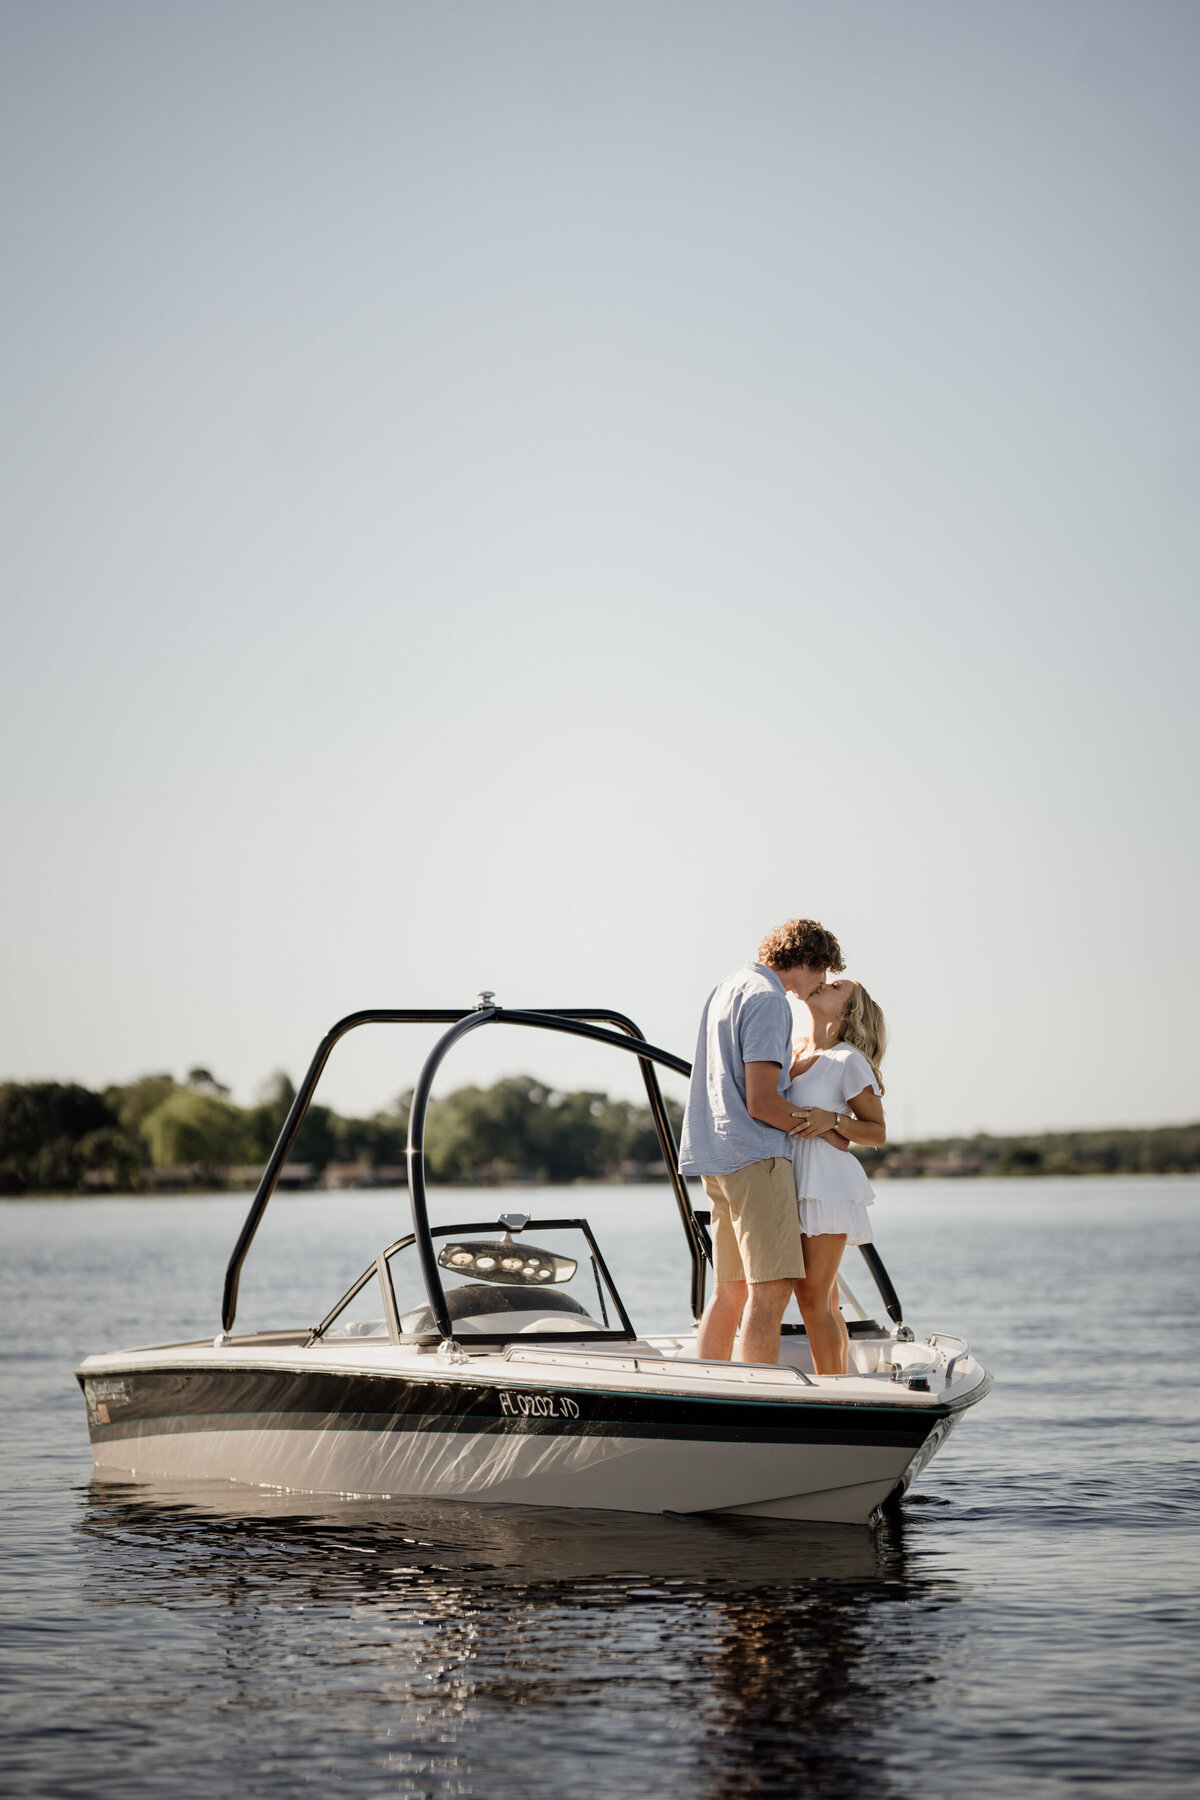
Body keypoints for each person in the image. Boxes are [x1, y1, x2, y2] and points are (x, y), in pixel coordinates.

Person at [677, 918, 845, 1366]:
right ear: (807, 961)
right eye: (823, 972)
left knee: (729, 1289)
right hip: (755, 1156)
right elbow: (763, 1102)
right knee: (771, 1290)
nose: (822, 983)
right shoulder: (770, 1000)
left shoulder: (727, 987)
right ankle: (758, 1393)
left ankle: (711, 1387)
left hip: (715, 1156)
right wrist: (831, 1129)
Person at [785, 979, 888, 1374]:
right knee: (822, 1299)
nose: (824, 983)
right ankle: (840, 1379)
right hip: (791, 1179)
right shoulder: (795, 1049)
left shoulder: (848, 1060)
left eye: (838, 986)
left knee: (812, 1297)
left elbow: (877, 1132)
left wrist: (834, 1121)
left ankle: (834, 1390)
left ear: (847, 1011)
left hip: (825, 1185)